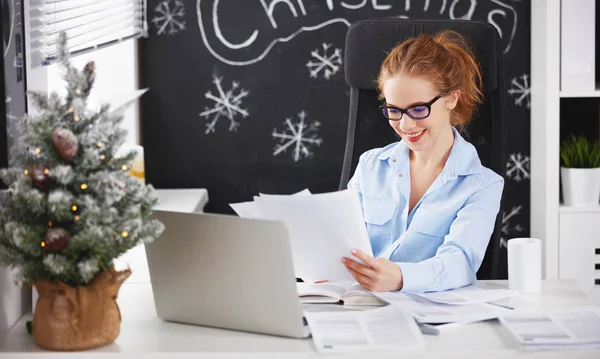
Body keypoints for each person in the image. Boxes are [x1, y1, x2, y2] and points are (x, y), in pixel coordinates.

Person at [342, 30, 504, 293]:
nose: (405, 125)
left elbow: (459, 262)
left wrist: (401, 277)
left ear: (452, 98)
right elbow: (341, 241)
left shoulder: (482, 185)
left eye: (418, 109)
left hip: (431, 317)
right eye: (394, 110)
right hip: (359, 306)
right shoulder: (370, 166)